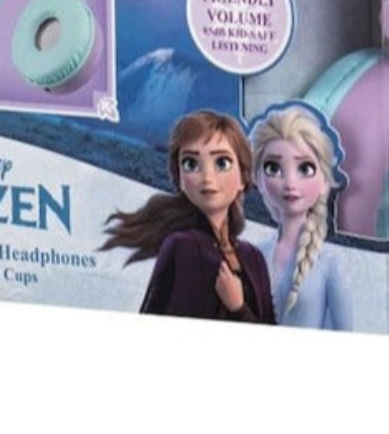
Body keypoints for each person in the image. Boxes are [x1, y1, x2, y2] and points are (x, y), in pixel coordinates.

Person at [101, 111, 275, 323]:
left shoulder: (253, 257)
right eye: (191, 164)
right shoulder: (183, 247)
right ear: (180, 179)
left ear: (243, 178)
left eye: (222, 163)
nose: (207, 177)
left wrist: (238, 307)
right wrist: (237, 309)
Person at [249, 103, 351, 329]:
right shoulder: (256, 254)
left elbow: (346, 332)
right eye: (273, 168)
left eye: (305, 169)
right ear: (258, 180)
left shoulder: (331, 262)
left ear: (324, 181)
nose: (290, 183)